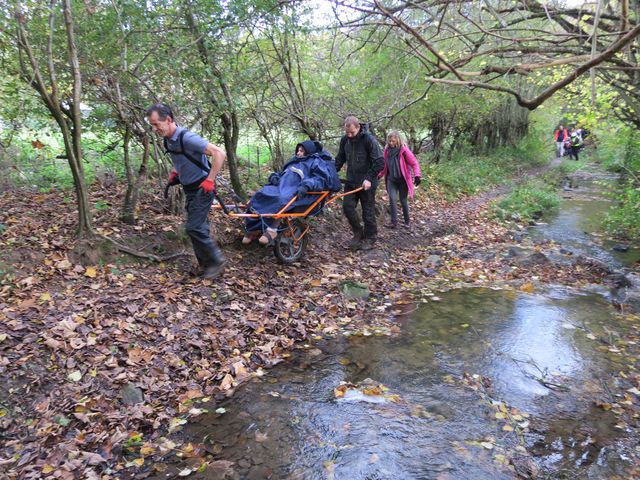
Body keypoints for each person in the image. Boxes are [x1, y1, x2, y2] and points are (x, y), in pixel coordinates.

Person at [146, 103, 227, 279]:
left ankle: (217, 261)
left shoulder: (188, 138)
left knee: (194, 227)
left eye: (156, 124)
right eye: (152, 125)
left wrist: (210, 180)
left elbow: (219, 153)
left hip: (202, 189)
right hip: (190, 189)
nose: (154, 129)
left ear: (168, 120)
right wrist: (177, 171)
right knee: (199, 229)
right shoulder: (168, 138)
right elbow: (181, 156)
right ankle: (206, 266)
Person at [242, 140, 341, 245]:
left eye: (301, 151)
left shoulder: (316, 162)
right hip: (281, 186)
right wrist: (275, 177)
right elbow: (282, 173)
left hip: (298, 190)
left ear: (308, 151)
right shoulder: (294, 161)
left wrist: (306, 186)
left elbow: (320, 179)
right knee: (260, 194)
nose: (298, 153)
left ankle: (272, 229)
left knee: (280, 200)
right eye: (298, 150)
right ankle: (253, 228)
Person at [335, 116, 384, 250]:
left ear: (358, 127)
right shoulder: (345, 140)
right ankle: (358, 232)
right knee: (347, 207)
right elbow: (340, 159)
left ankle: (370, 238)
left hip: (367, 182)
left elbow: (380, 161)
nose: (349, 135)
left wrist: (369, 178)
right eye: (347, 132)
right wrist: (332, 173)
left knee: (367, 211)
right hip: (351, 181)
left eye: (352, 132)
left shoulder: (368, 140)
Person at [379, 131, 421, 229]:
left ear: (398, 141)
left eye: (393, 141)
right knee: (392, 199)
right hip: (391, 179)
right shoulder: (387, 151)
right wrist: (379, 175)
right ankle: (394, 222)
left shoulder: (404, 151)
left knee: (403, 200)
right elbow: (385, 166)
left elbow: (414, 163)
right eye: (389, 141)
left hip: (403, 180)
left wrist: (417, 175)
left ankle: (407, 221)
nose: (391, 143)